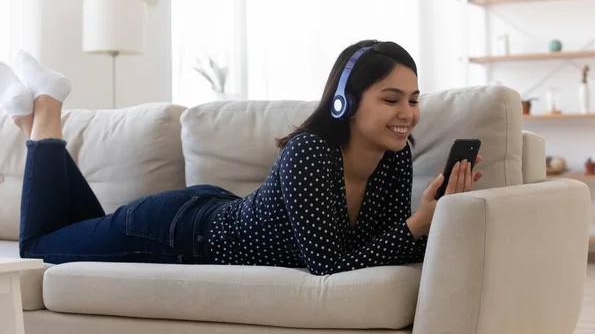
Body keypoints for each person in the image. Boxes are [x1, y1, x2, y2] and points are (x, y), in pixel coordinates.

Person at [0, 40, 482, 276]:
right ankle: (47, 111)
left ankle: (28, 121)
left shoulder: (395, 160)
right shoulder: (311, 153)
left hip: (214, 209)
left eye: (414, 100)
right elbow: (328, 267)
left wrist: (440, 218)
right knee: (40, 243)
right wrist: (418, 225)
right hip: (179, 234)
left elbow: (384, 251)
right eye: (392, 99)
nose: (408, 114)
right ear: (346, 102)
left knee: (72, 232)